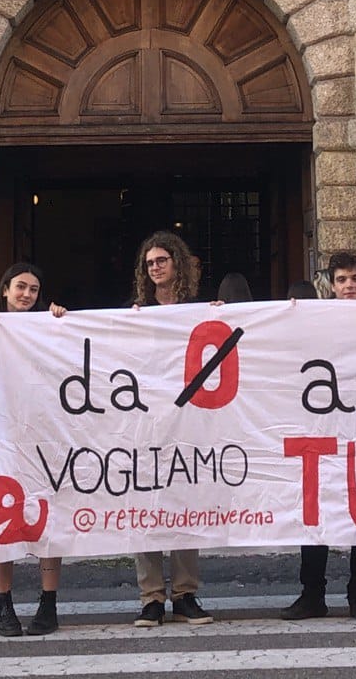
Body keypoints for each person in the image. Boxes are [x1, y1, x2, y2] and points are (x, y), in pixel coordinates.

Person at [0, 262, 67, 638]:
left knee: (47, 520)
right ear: (5, 290)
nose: (27, 295)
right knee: (2, 524)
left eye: (34, 290)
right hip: (4, 441)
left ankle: (48, 604)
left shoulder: (46, 329)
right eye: (21, 287)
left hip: (42, 441)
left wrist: (61, 322)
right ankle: (4, 605)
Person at [281, 252, 356, 623]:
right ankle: (312, 594)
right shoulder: (316, 322)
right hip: (321, 430)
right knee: (316, 511)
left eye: (355, 278)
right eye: (342, 280)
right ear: (332, 286)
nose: (349, 285)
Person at [130, 230, 214, 628]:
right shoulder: (134, 311)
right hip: (145, 422)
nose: (156, 267)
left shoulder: (199, 309)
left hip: (187, 421)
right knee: (146, 506)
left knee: (184, 504)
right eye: (149, 263)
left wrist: (221, 317)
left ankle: (184, 594)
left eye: (162, 260)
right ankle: (151, 597)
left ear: (176, 263)